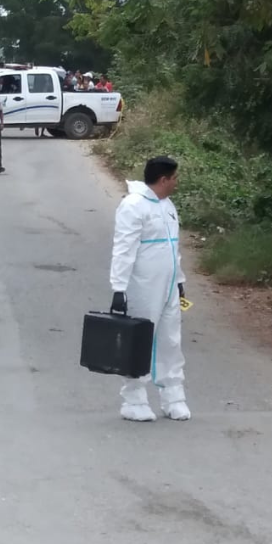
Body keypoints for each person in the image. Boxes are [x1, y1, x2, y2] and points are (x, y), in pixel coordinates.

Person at [109, 156, 189, 422]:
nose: (177, 182)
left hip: (167, 287)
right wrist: (119, 289)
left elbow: (172, 247)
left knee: (170, 340)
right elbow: (123, 248)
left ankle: (173, 396)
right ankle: (133, 399)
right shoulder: (133, 206)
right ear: (163, 179)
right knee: (141, 340)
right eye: (174, 178)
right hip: (143, 285)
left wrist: (179, 281)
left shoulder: (167, 206)